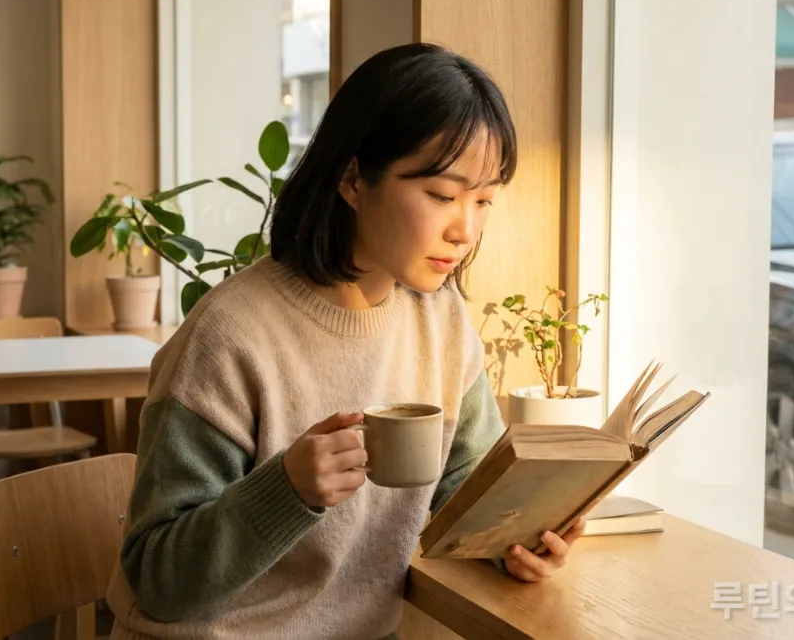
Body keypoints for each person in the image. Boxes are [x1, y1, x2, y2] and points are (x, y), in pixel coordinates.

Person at [104, 42, 587, 640]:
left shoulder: (441, 319)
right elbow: (156, 578)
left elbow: (466, 492)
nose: (465, 229)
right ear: (354, 179)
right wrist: (285, 490)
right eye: (442, 195)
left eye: (483, 200)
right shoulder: (230, 337)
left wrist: (516, 539)